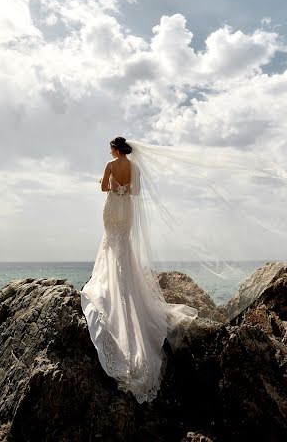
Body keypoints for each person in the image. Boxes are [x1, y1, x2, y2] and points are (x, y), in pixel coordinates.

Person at [80, 136, 198, 404]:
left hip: (112, 206)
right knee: (123, 242)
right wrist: (123, 188)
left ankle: (112, 282)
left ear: (114, 148)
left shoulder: (110, 164)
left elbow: (102, 189)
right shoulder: (135, 167)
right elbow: (135, 192)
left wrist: (111, 185)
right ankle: (127, 285)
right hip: (126, 209)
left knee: (112, 242)